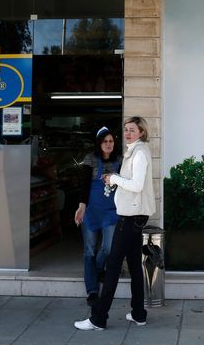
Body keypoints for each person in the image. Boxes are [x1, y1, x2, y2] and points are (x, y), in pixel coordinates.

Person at [74, 116, 156, 331]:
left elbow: (137, 185)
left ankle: (98, 318)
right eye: (126, 129)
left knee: (112, 266)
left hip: (130, 218)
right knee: (135, 267)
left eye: (132, 130)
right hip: (133, 217)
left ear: (142, 133)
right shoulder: (135, 152)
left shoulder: (138, 153)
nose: (128, 133)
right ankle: (139, 314)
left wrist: (114, 179)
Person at [74, 126, 121, 307]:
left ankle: (99, 267)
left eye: (110, 141)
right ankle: (92, 290)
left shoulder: (120, 160)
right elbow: (84, 185)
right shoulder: (90, 159)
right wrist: (81, 207)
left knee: (108, 248)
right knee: (89, 251)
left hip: (111, 212)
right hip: (91, 211)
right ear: (99, 143)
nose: (108, 144)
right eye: (104, 141)